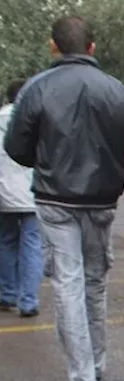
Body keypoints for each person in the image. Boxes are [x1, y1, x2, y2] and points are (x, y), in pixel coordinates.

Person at [4, 15, 124, 381]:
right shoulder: (115, 89)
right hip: (102, 198)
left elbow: (16, 146)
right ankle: (95, 364)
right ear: (91, 47)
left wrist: (45, 162)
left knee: (68, 283)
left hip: (55, 195)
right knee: (94, 281)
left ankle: (82, 379)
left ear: (53, 45)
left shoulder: (36, 88)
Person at [0, 79, 42, 318]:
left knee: (6, 241)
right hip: (31, 192)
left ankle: (7, 294)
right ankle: (28, 301)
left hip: (3, 192)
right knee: (32, 245)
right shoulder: (33, 117)